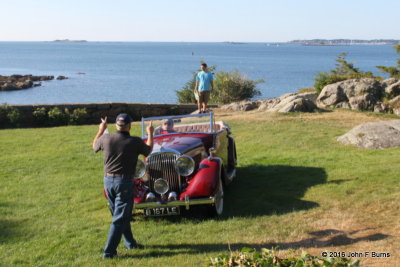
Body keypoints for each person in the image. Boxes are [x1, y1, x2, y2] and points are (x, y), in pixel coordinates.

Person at [92, 113, 154, 259]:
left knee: (120, 214)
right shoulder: (134, 141)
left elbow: (94, 146)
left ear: (116, 125)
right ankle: (109, 253)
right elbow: (149, 150)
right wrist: (150, 133)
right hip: (124, 183)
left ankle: (130, 243)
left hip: (108, 182)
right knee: (119, 219)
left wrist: (101, 129)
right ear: (129, 126)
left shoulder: (106, 138)